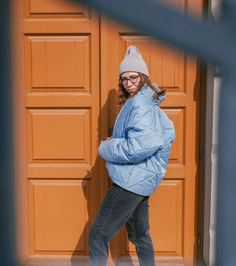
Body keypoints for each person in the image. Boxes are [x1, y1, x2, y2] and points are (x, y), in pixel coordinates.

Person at [88, 45, 175, 266]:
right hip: (141, 181)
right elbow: (146, 141)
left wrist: (106, 147)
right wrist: (118, 141)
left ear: (143, 77)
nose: (128, 83)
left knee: (98, 235)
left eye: (133, 77)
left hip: (129, 183)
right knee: (140, 236)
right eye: (124, 79)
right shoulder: (147, 102)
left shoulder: (140, 104)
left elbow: (137, 147)